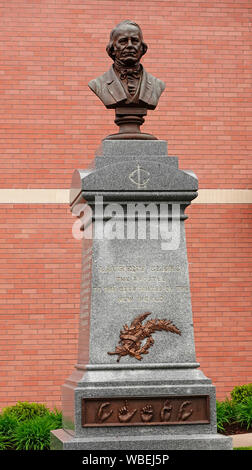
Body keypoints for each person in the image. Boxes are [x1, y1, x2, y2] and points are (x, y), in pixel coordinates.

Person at [88, 20, 165, 110]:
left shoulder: (157, 85)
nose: (129, 45)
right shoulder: (98, 84)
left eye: (135, 41)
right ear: (112, 49)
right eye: (123, 41)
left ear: (142, 47)